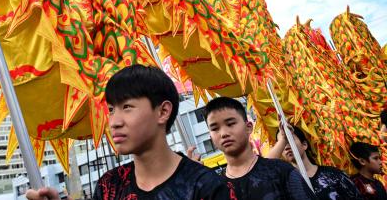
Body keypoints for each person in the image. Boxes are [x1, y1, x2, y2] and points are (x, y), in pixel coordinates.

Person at [26, 65, 233, 200]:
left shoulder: (205, 187)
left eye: (127, 107)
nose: (114, 122)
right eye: (111, 110)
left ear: (163, 111)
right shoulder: (109, 186)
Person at [204, 96, 316, 199]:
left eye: (230, 124)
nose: (223, 133)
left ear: (248, 127)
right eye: (215, 128)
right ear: (211, 138)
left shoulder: (281, 171)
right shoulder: (214, 188)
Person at [267, 123, 362, 199]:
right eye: (283, 143)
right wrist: (282, 139)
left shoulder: (333, 175)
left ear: (304, 145)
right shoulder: (287, 186)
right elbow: (263, 168)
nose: (286, 146)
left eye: (290, 140)